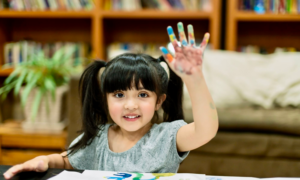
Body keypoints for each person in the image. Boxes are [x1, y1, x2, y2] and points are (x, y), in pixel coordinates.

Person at [3, 22, 218, 179]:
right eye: (119, 95)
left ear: (159, 101)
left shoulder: (168, 137)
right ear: (105, 99)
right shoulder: (97, 138)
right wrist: (46, 161)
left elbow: (205, 130)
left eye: (143, 95)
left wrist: (194, 78)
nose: (130, 105)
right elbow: (67, 160)